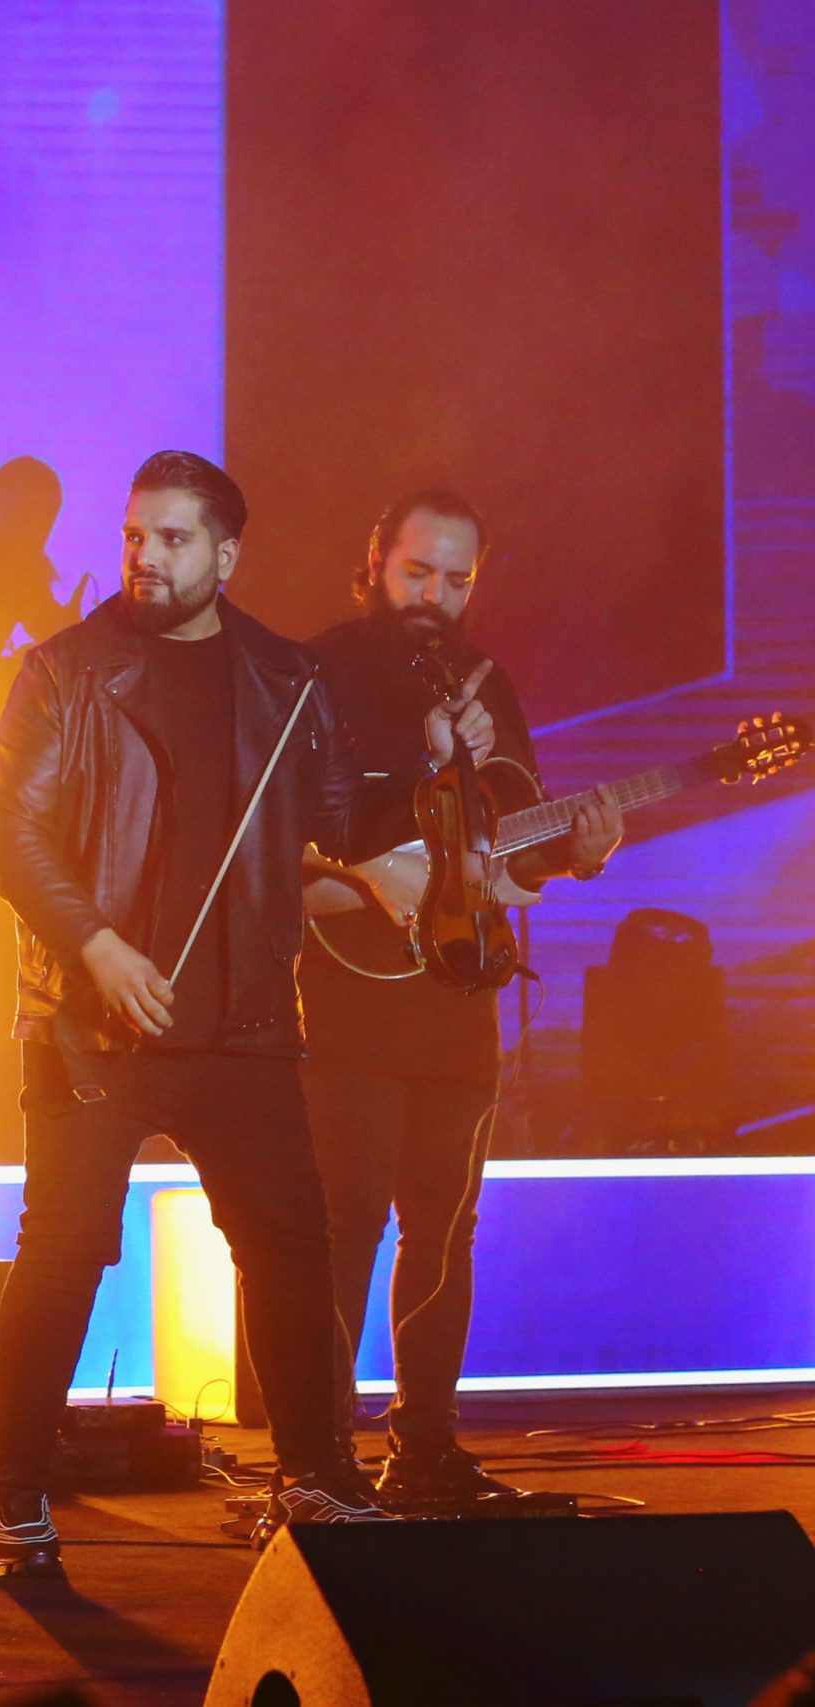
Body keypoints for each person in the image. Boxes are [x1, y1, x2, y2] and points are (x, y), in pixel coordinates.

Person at [0, 449, 401, 1574]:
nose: (144, 557)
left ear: (226, 553)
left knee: (291, 1251)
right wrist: (96, 945)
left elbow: (330, 834)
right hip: (92, 1024)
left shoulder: (285, 676)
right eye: (133, 535)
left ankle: (314, 1475)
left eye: (171, 539)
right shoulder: (64, 670)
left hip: (243, 1021)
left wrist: (423, 828)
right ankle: (12, 1496)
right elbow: (6, 836)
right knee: (63, 1253)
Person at [299, 489, 620, 1503]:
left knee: (443, 1224)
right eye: (417, 572)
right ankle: (320, 1456)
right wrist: (427, 764)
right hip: (347, 991)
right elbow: (301, 839)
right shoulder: (316, 673)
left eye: (455, 579)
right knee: (344, 1221)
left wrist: (580, 852)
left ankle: (426, 1445)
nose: (434, 595)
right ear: (375, 563)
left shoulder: (486, 686)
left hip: (456, 989)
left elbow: (507, 850)